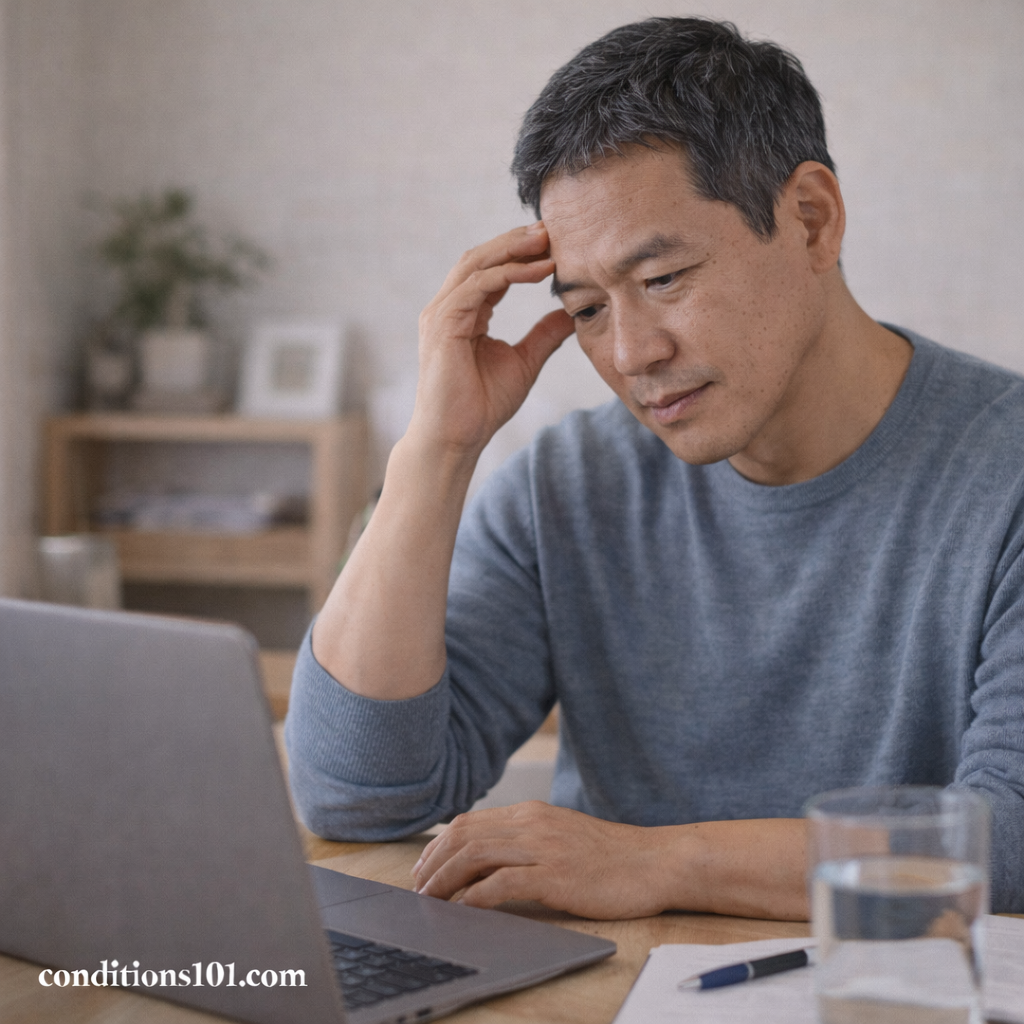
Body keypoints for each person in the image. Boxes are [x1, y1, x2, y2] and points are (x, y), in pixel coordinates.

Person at [284, 17, 1024, 919]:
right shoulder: (567, 485)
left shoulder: (1004, 475)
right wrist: (435, 452)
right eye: (588, 308)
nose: (632, 352)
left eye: (665, 278)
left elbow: (1009, 838)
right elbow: (360, 797)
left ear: (810, 219)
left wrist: (660, 864)